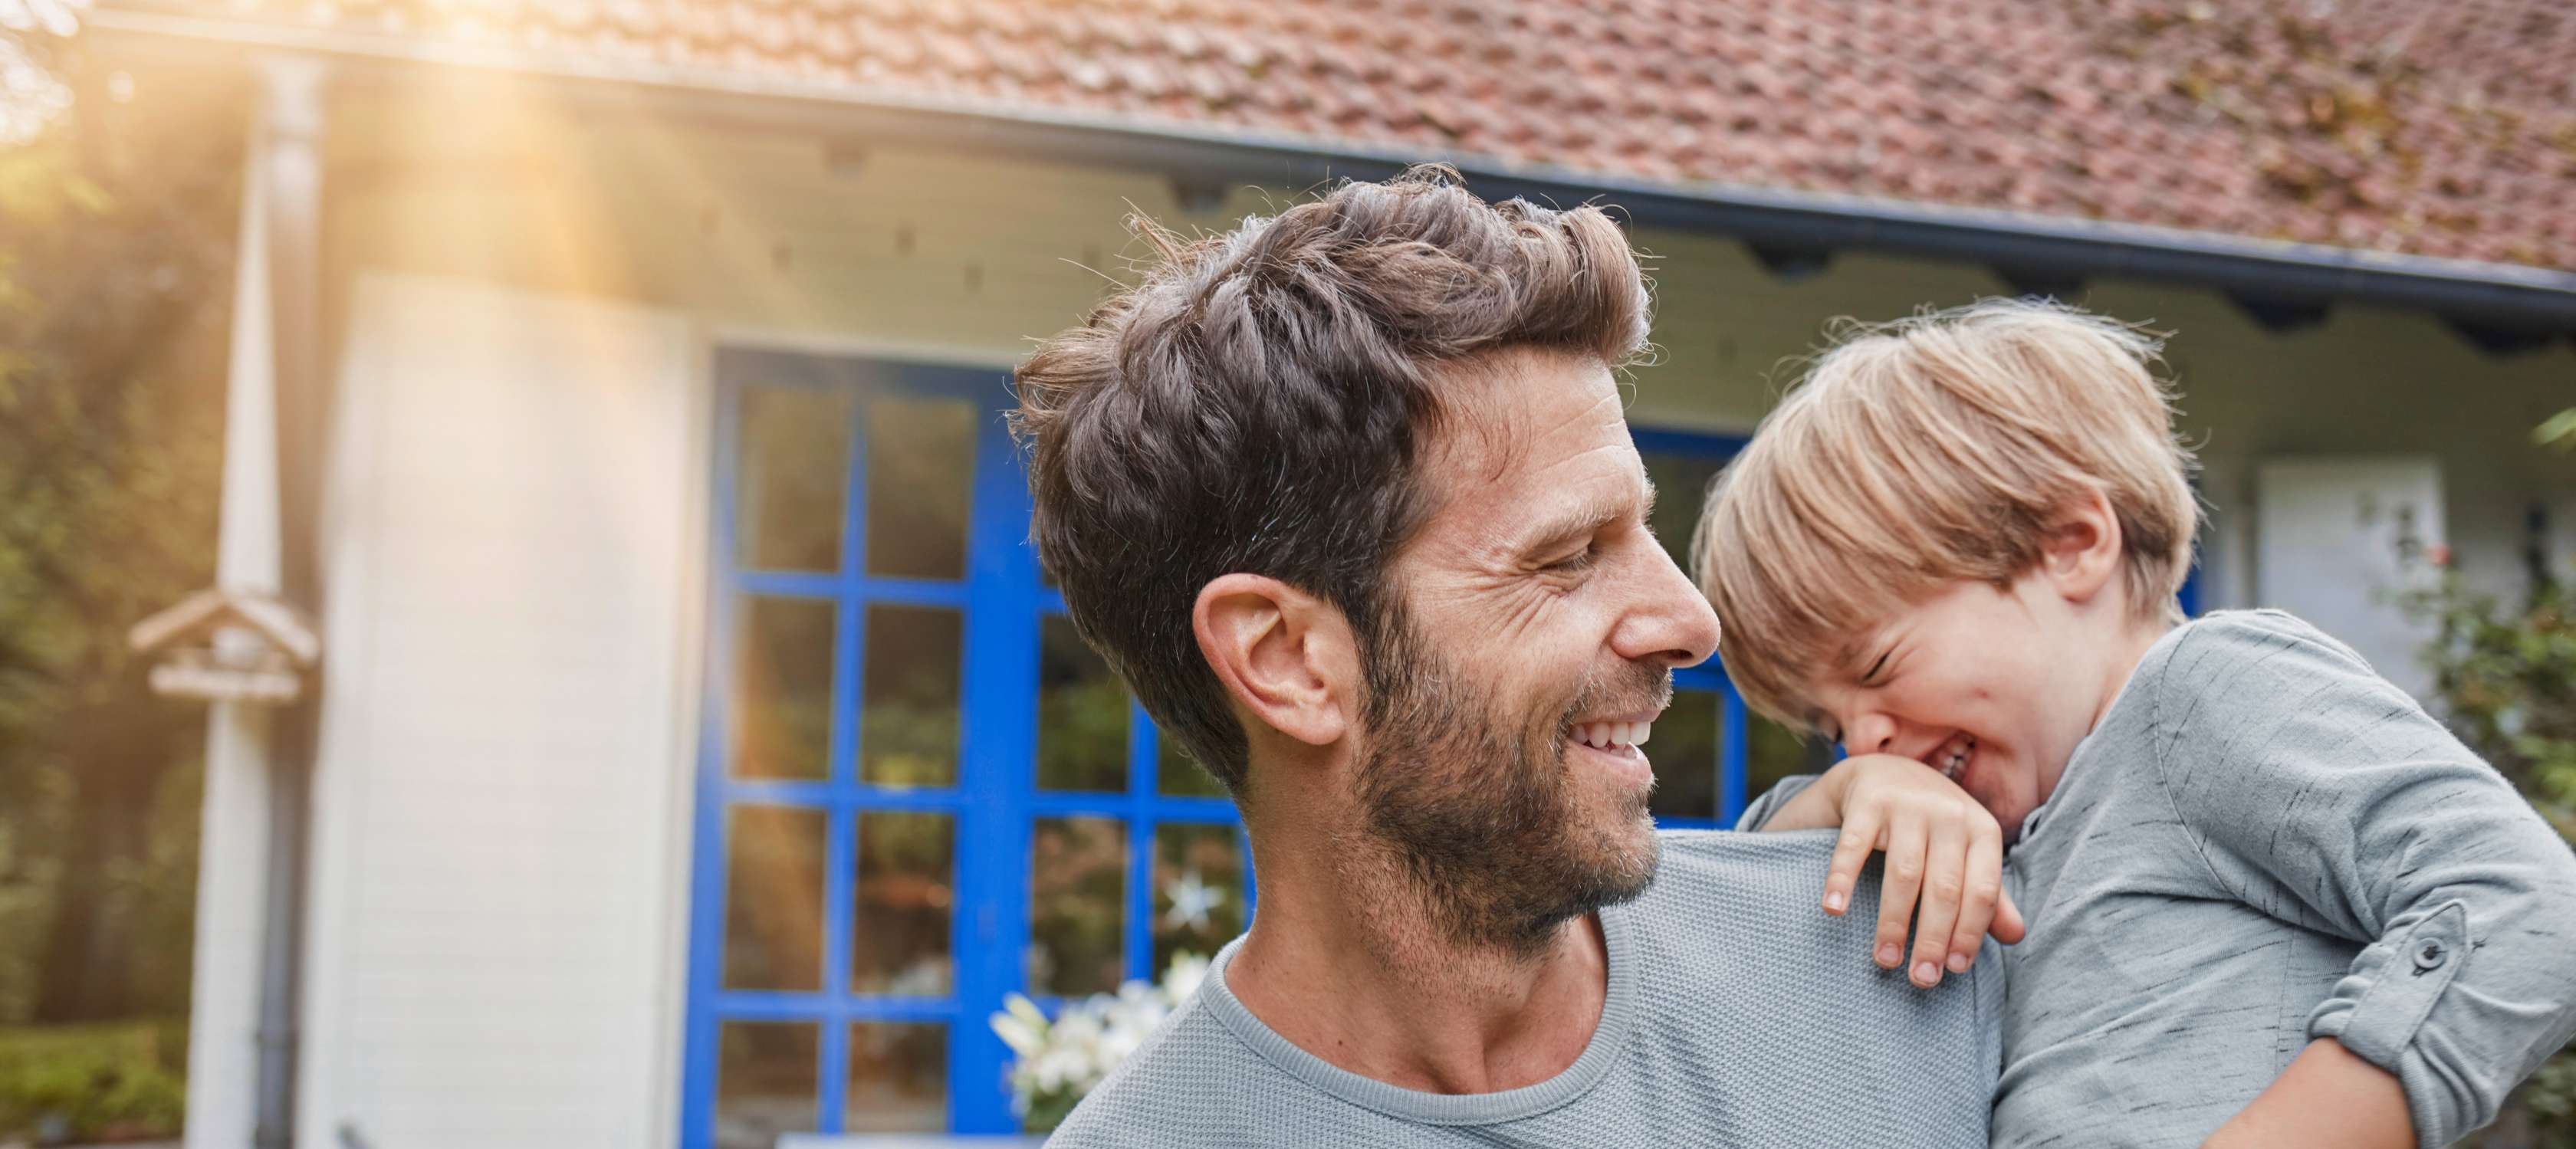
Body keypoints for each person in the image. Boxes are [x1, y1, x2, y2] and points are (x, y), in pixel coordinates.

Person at [1013, 167, 2013, 1147]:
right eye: (1569, 554)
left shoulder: (1913, 947)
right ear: (1290, 661)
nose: (1690, 620)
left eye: (1645, 532)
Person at [1697, 299, 2576, 1148]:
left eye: (1879, 667)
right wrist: (1843, 795)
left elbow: (2524, 902)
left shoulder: (2200, 692)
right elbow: (1737, 923)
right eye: (1827, 722)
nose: (1861, 736)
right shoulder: (1994, 838)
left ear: (2072, 544)